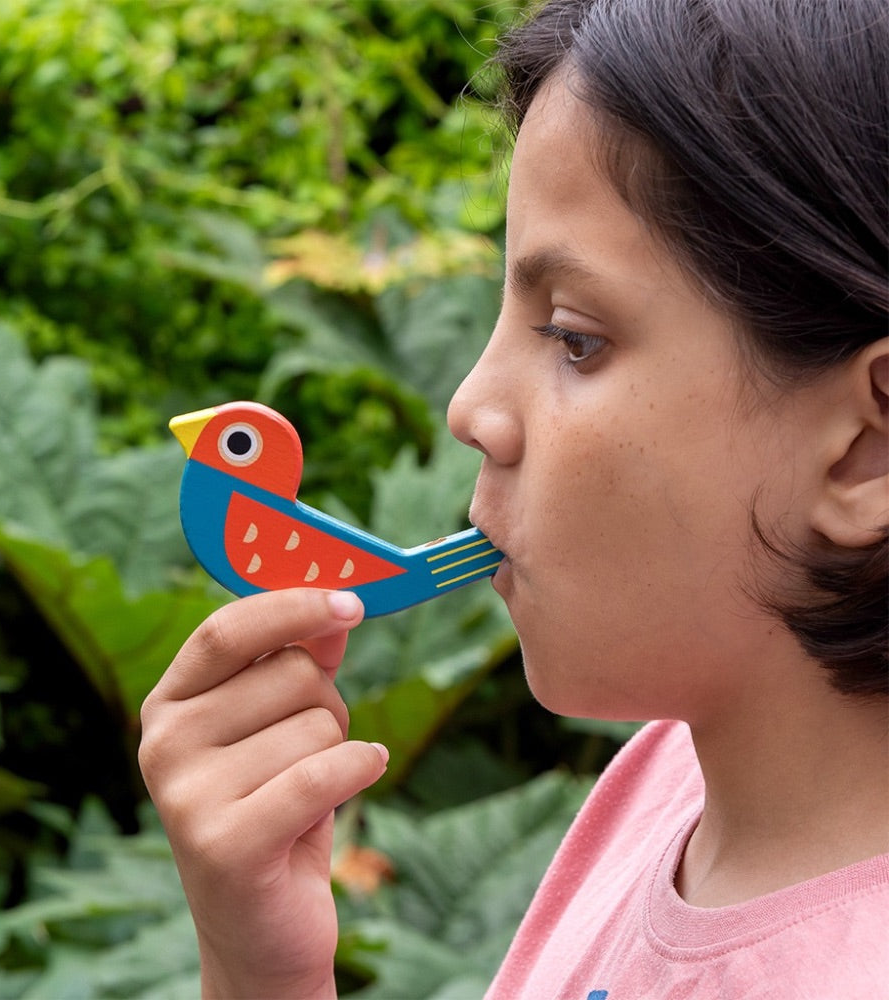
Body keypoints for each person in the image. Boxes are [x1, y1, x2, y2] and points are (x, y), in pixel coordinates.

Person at [138, 0, 889, 996]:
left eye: (574, 336)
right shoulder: (678, 781)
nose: (470, 407)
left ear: (864, 452)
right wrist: (260, 967)